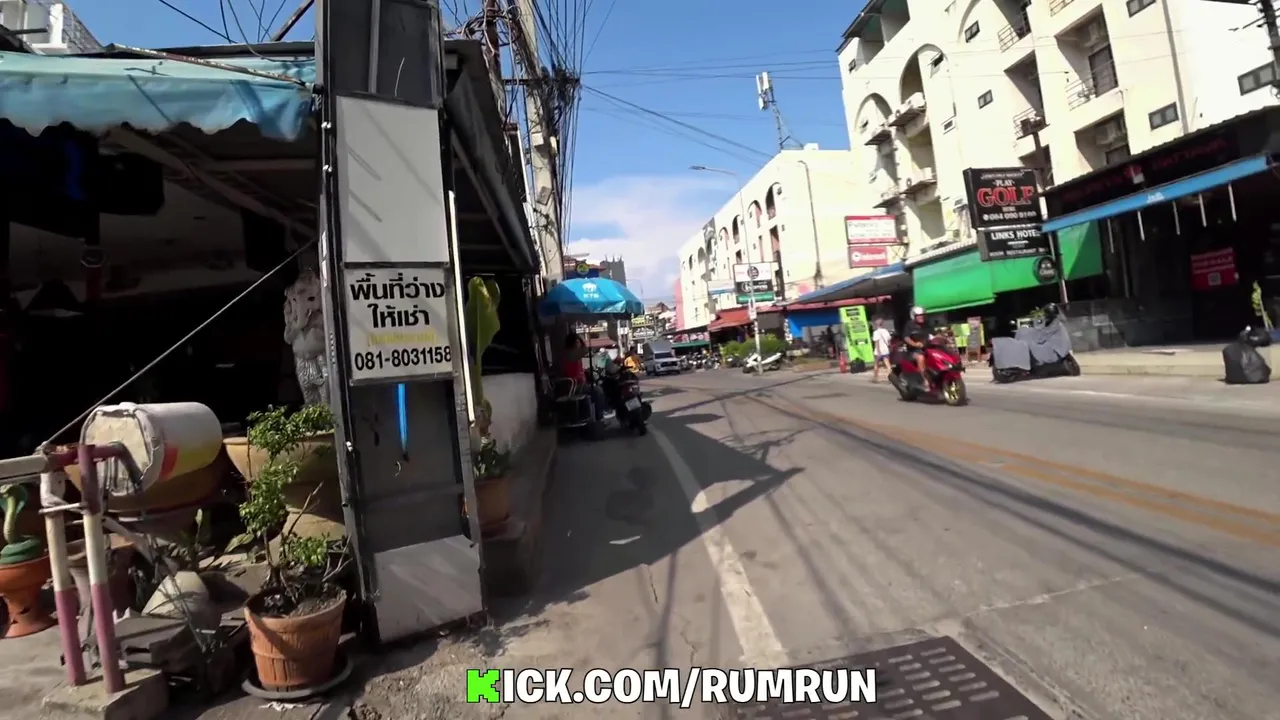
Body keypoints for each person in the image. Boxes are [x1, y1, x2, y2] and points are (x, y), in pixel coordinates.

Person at [560, 333, 607, 420]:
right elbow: (585, 349)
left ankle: (595, 415)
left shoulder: (570, 353)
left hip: (579, 384)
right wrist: (581, 339)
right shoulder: (571, 353)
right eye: (577, 342)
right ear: (573, 343)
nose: (579, 344)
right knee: (598, 391)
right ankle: (600, 417)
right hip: (575, 386)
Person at [903, 306, 930, 384]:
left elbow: (933, 334)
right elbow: (906, 338)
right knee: (920, 357)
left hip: (927, 348)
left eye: (922, 315)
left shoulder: (926, 324)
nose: (921, 317)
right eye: (919, 315)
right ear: (914, 316)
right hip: (913, 351)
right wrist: (915, 344)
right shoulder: (909, 325)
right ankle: (924, 379)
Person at [871, 318, 893, 383]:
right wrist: (888, 347)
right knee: (888, 365)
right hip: (885, 350)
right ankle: (891, 378)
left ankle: (875, 378)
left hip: (878, 351)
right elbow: (889, 341)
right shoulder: (886, 331)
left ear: (877, 325)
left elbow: (877, 342)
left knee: (876, 364)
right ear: (882, 324)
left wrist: (878, 351)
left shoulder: (876, 332)